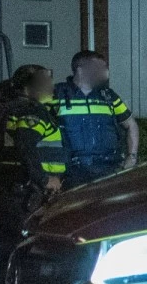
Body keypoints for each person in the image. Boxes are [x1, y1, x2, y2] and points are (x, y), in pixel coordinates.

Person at [0, 64, 64, 284]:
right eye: (46, 82)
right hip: (23, 192)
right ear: (29, 87)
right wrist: (45, 179)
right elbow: (26, 146)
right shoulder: (31, 112)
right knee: (25, 251)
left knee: (9, 249)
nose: (51, 87)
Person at [55, 49, 138, 188]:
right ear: (81, 70)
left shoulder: (108, 96)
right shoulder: (57, 94)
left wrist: (132, 157)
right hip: (72, 172)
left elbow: (131, 124)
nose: (104, 72)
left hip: (109, 170)